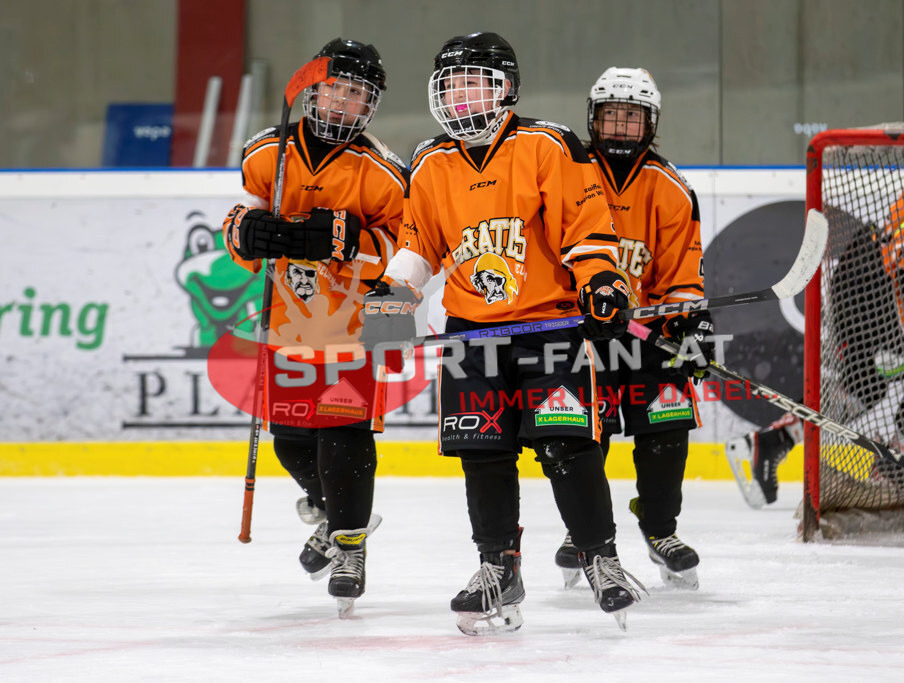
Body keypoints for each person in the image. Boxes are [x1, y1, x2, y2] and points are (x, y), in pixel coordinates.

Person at [361, 32, 644, 634]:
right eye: (452, 85)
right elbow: (419, 245)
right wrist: (392, 296)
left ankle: (601, 558)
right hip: (471, 336)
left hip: (551, 328)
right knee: (482, 453)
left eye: (475, 83)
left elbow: (586, 229)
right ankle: (498, 566)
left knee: (567, 446)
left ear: (506, 89)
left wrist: (601, 280)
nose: (462, 96)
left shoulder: (548, 144)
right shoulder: (430, 162)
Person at [726, 103, 904, 498]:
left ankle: (770, 442)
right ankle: (892, 466)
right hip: (877, 286)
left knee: (865, 386)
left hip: (873, 283)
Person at [221, 38, 407, 614]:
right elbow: (240, 218)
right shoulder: (266, 152)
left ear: (370, 106)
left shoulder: (384, 171)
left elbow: (405, 249)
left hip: (356, 323)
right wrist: (245, 233)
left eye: (357, 95)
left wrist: (351, 242)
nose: (344, 102)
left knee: (341, 435)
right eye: (336, 90)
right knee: (290, 440)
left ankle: (350, 546)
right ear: (314, 92)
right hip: (288, 321)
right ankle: (336, 513)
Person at [551, 67, 711, 591]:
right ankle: (583, 530)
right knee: (583, 435)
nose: (620, 127)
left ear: (651, 123)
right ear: (593, 119)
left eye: (632, 117)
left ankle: (660, 528)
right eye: (611, 116)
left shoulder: (670, 187)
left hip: (648, 334)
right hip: (582, 332)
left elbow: (682, 273)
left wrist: (691, 319)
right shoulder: (567, 172)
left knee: (666, 428)